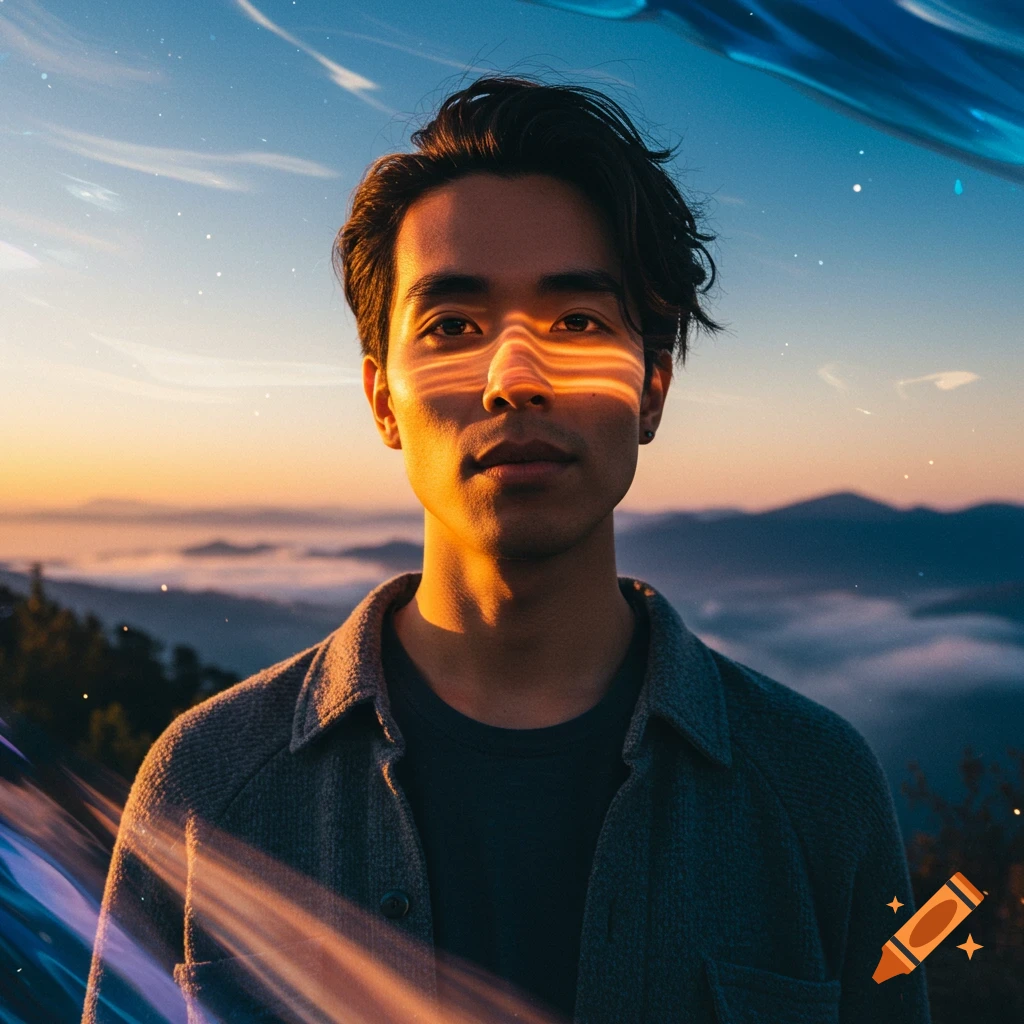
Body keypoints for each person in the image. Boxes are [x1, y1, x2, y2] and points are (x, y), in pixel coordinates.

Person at [82, 75, 931, 1024]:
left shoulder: (818, 791)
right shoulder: (208, 788)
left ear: (650, 387)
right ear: (380, 398)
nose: (515, 379)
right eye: (452, 327)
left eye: (576, 323)